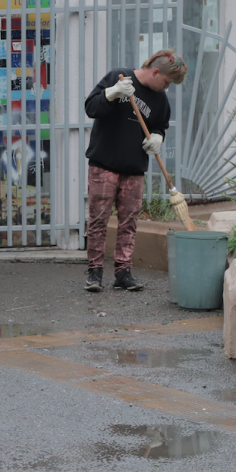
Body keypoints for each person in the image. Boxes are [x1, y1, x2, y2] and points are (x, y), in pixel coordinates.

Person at [83, 49, 187, 292]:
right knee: (99, 219)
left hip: (134, 168)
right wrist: (111, 94)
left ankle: (123, 272)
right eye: (167, 82)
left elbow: (160, 125)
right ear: (155, 71)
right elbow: (91, 108)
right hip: (103, 165)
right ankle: (94, 272)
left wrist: (159, 137)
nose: (167, 87)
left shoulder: (160, 99)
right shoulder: (117, 77)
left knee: (129, 222)